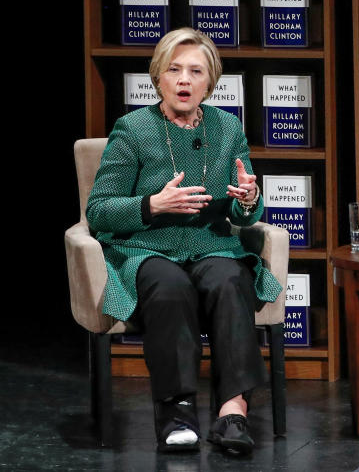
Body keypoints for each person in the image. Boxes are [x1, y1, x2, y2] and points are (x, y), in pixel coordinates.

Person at [86, 28, 283, 454]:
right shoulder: (133, 128)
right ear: (157, 77)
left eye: (195, 71)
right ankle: (177, 411)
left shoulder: (227, 128)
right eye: (174, 70)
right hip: (147, 249)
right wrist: (153, 204)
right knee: (170, 287)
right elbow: (98, 210)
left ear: (209, 83)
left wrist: (249, 199)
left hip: (211, 244)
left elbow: (243, 208)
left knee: (231, 280)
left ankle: (233, 411)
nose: (184, 80)